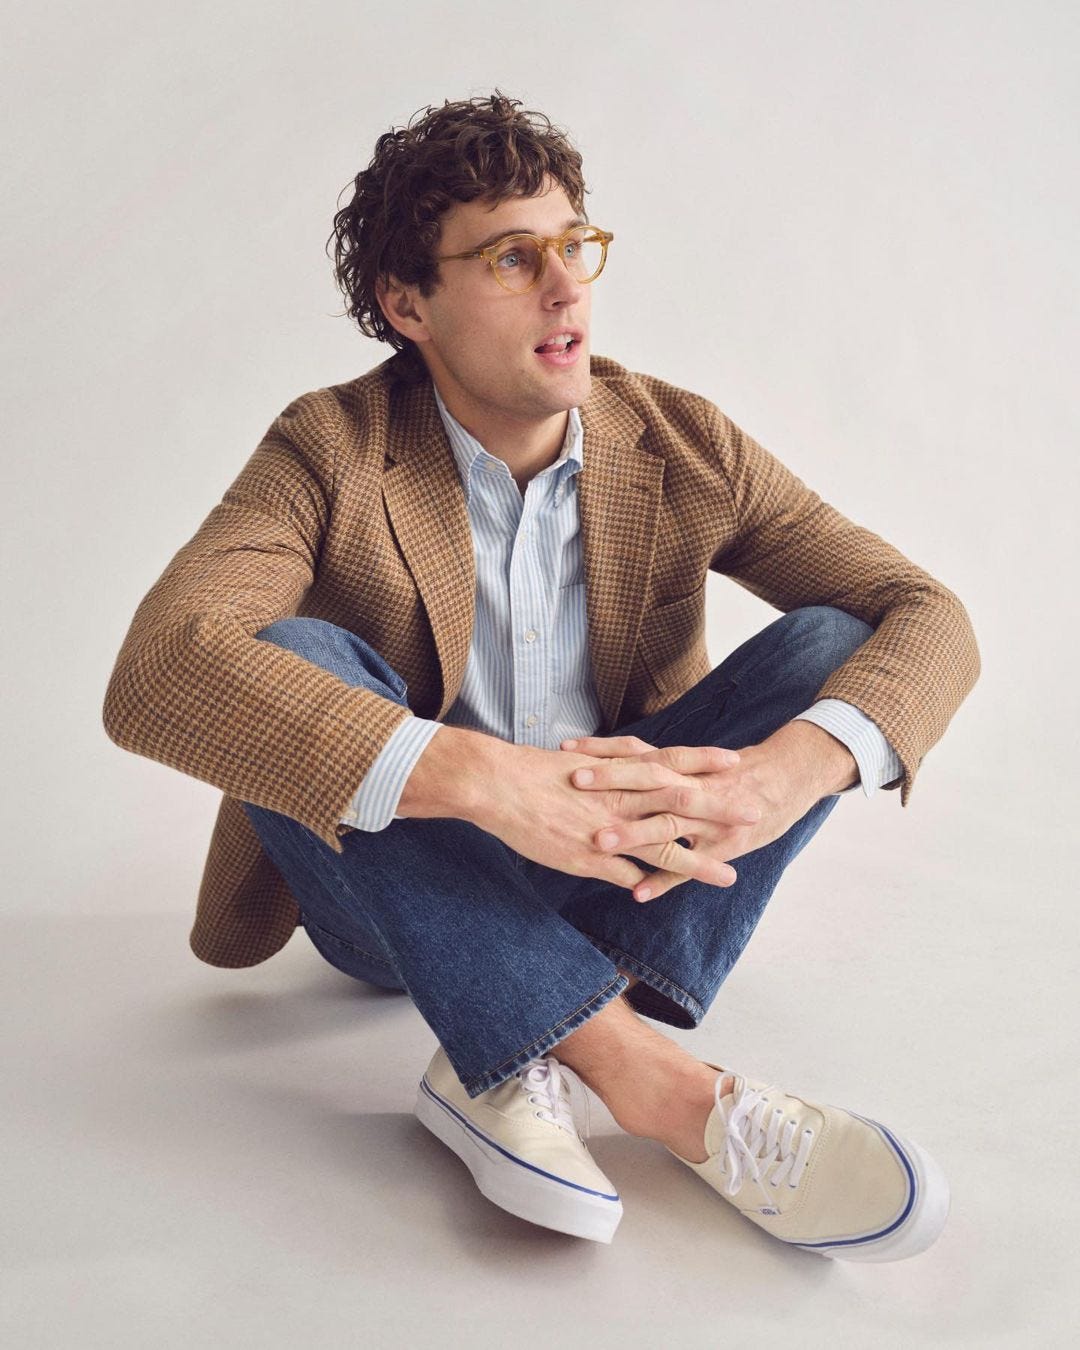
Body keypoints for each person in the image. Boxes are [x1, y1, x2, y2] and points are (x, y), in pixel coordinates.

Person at [102, 91, 980, 1257]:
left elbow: (929, 613)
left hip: (625, 873)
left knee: (830, 646)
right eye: (514, 259)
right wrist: (476, 778)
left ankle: (503, 1053)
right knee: (289, 656)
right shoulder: (329, 449)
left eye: (575, 245)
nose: (566, 286)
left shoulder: (678, 440)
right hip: (389, 895)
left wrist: (783, 776)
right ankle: (659, 1087)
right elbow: (162, 668)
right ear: (406, 305)